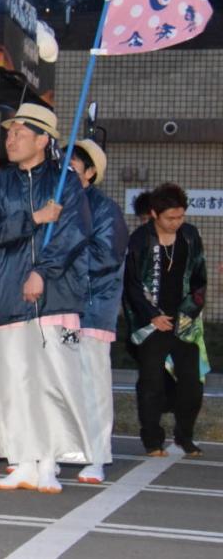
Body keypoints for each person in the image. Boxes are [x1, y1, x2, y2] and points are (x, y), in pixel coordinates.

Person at [0, 102, 93, 494]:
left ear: (43, 139)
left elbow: (75, 233)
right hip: (5, 295)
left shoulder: (66, 182)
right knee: (13, 382)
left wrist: (43, 271)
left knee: (51, 380)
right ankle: (21, 459)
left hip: (53, 297)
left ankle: (49, 461)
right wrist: (34, 219)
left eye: (20, 132)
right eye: (9, 133)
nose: (11, 139)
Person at [123, 183, 208, 457]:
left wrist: (187, 313)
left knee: (192, 385)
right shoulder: (140, 239)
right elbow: (132, 285)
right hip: (151, 323)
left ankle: (185, 436)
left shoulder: (191, 237)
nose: (176, 223)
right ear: (154, 214)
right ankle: (152, 440)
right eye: (171, 218)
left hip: (183, 322)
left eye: (181, 216)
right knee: (151, 384)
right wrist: (153, 316)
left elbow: (199, 281)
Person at [67, 140, 128, 483]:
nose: (64, 173)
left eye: (72, 168)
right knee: (60, 383)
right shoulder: (56, 202)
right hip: (57, 308)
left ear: (90, 173)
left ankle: (96, 455)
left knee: (91, 384)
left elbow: (105, 258)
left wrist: (56, 263)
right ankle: (65, 449)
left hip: (91, 309)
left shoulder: (106, 210)